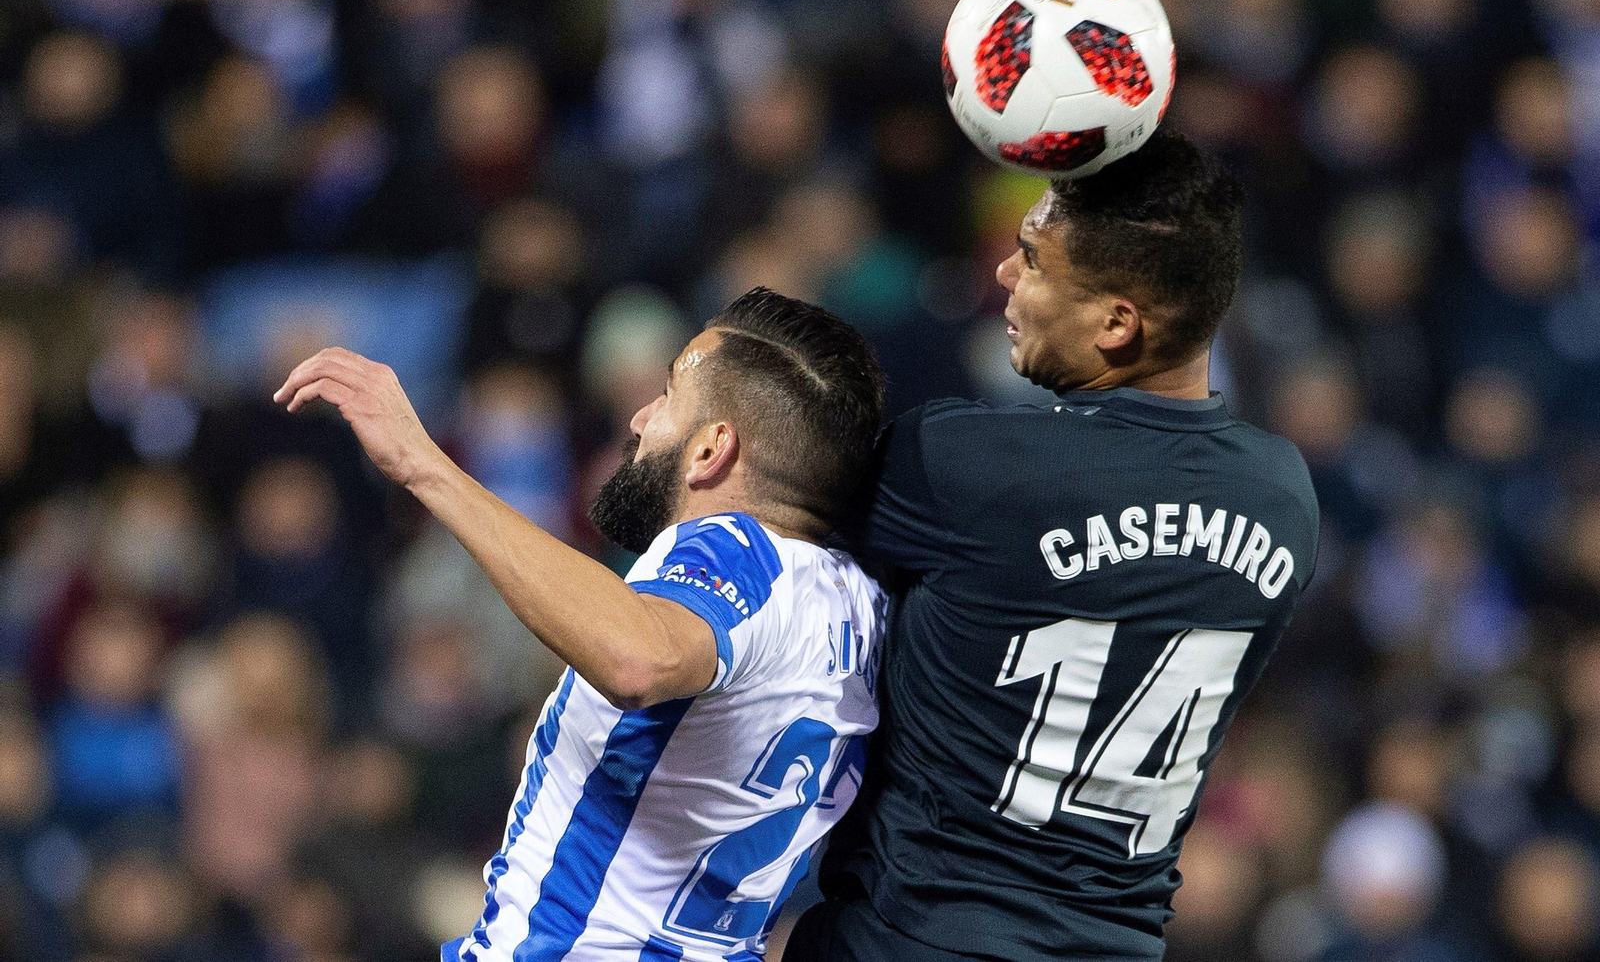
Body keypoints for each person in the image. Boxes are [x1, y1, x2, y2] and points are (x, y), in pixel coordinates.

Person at [788, 130, 1321, 962]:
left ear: (1116, 322)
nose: (1005, 274)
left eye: (1034, 262)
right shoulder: (1285, 498)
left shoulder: (971, 468)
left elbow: (770, 496)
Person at [273, 288, 887, 962]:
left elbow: (638, 659)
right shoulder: (857, 604)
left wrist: (424, 466)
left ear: (712, 449)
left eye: (668, 396)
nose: (640, 417)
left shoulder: (736, 552)